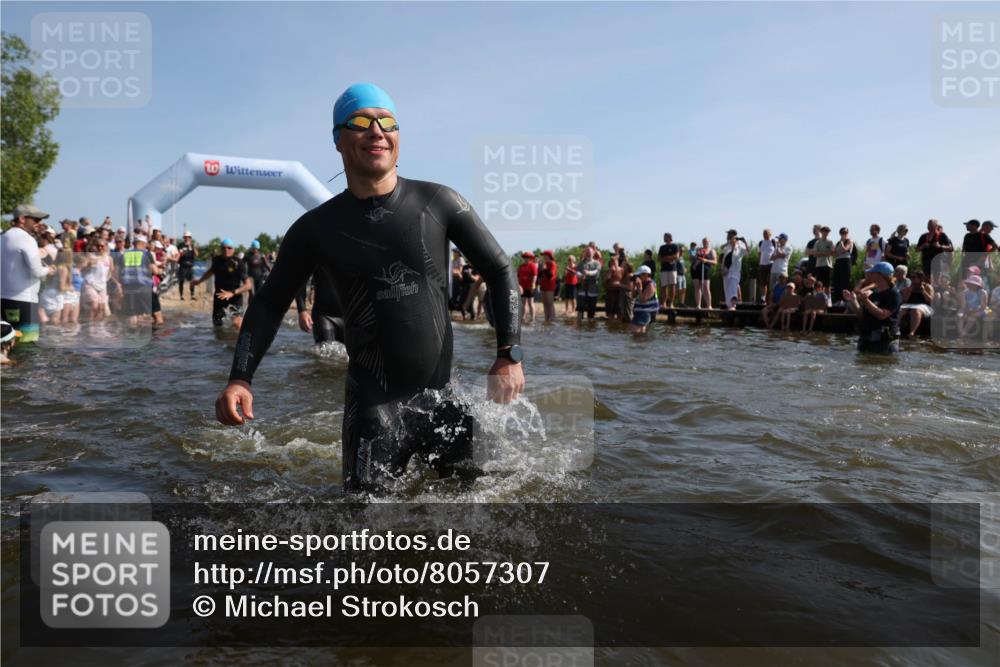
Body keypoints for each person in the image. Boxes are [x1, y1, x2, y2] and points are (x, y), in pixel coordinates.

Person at [213, 82, 524, 493]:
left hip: (445, 403)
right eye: (361, 122)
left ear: (397, 137)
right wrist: (240, 378)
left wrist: (508, 355)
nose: (376, 131)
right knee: (361, 533)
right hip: (374, 410)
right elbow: (270, 302)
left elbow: (501, 269)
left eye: (387, 122)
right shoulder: (315, 229)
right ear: (339, 140)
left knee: (476, 520)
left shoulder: (439, 202)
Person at [1, 204, 54, 343]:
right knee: (27, 344)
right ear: (23, 219)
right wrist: (49, 270)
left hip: (4, 299)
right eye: (36, 220)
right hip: (24, 301)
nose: (39, 223)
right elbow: (36, 271)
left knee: (7, 342)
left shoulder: (3, 237)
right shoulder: (27, 239)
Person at [192, 239, 252, 329]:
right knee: (217, 324)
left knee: (236, 323)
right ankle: (221, 342)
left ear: (233, 250)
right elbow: (210, 272)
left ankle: (241, 342)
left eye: (229, 248)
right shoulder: (216, 260)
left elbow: (248, 285)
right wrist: (199, 281)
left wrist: (232, 293)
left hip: (234, 297)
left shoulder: (238, 262)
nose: (226, 250)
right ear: (221, 249)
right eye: (223, 248)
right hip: (219, 297)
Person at [843, 261, 901, 353]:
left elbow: (882, 315)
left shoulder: (893, 294)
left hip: (884, 341)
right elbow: (862, 316)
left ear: (880, 275)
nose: (869, 274)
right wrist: (853, 300)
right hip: (867, 337)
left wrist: (866, 301)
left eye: (872, 272)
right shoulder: (874, 294)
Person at [295, 266, 346, 345]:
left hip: (351, 316)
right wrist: (302, 310)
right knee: (324, 354)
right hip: (324, 315)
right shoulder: (318, 253)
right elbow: (301, 277)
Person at [118, 235, 157, 326]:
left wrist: (121, 285)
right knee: (146, 314)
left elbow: (117, 272)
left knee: (132, 314)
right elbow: (154, 270)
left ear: (133, 243)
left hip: (128, 288)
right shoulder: (146, 254)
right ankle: (144, 335)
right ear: (143, 244)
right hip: (143, 287)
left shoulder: (125, 254)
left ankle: (132, 335)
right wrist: (160, 270)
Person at [899, 270, 934, 337]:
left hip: (924, 306)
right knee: (901, 309)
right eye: (911, 277)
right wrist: (908, 292)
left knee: (915, 310)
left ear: (920, 278)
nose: (912, 279)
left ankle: (912, 332)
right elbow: (904, 301)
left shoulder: (927, 286)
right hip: (910, 305)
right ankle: (895, 329)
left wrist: (923, 292)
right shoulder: (909, 287)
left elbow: (931, 301)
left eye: (914, 277)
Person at [720, 230, 748, 310]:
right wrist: (729, 243)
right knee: (727, 289)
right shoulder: (727, 245)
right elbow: (721, 248)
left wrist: (744, 242)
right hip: (726, 270)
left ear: (733, 235)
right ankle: (730, 306)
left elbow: (747, 252)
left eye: (729, 234)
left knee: (733, 285)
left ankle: (733, 304)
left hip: (735, 270)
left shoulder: (740, 245)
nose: (727, 236)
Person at [629, 265, 659, 333]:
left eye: (639, 276)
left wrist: (639, 287)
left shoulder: (650, 284)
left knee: (635, 331)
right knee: (640, 334)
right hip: (641, 311)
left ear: (646, 275)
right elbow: (633, 296)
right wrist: (634, 285)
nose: (638, 277)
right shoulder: (642, 283)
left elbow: (643, 300)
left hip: (647, 311)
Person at [958, 274, 989, 339]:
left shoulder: (983, 292)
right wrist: (966, 311)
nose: (971, 285)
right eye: (970, 283)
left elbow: (983, 306)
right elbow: (963, 306)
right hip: (969, 309)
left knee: (973, 315)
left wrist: (972, 311)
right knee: (959, 315)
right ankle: (961, 332)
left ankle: (964, 333)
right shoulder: (964, 292)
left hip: (984, 309)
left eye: (973, 284)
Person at [576, 246, 601, 320]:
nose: (588, 254)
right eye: (587, 252)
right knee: (580, 307)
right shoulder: (581, 263)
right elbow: (577, 272)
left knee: (591, 308)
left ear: (593, 253)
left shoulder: (597, 263)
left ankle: (590, 327)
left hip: (592, 287)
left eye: (590, 252)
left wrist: (588, 273)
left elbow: (596, 271)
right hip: (582, 287)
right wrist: (580, 275)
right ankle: (579, 324)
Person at [244, 239, 272, 304]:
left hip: (260, 277)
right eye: (253, 248)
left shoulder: (261, 255)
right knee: (252, 294)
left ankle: (256, 308)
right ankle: (249, 309)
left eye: (256, 248)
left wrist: (272, 271)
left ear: (258, 248)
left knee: (258, 294)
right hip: (251, 277)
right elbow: (242, 264)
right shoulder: (248, 255)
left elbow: (267, 265)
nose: (254, 250)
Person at [691, 237, 717, 309]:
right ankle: (698, 305)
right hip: (696, 270)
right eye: (703, 241)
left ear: (709, 242)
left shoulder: (712, 251)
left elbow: (715, 262)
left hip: (705, 270)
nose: (705, 243)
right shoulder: (699, 250)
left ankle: (709, 305)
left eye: (706, 241)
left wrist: (706, 260)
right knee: (697, 287)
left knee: (706, 287)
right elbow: (694, 258)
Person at [832, 227, 855, 304]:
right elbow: (834, 254)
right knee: (837, 281)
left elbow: (845, 249)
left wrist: (842, 242)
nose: (844, 234)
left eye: (845, 233)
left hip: (846, 261)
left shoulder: (849, 240)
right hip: (838, 261)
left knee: (845, 281)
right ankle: (838, 300)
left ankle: (845, 300)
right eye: (842, 233)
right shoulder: (838, 243)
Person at [657, 233, 679, 307]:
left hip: (672, 269)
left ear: (669, 237)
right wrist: (669, 258)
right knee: (663, 286)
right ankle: (664, 303)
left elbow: (676, 256)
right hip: (664, 269)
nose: (663, 238)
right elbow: (658, 258)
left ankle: (671, 303)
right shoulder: (662, 247)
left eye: (665, 237)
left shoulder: (675, 246)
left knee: (672, 286)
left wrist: (666, 258)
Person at [518, 251, 538, 325]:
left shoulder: (532, 265)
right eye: (525, 257)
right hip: (522, 287)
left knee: (530, 303)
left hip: (530, 287)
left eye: (528, 257)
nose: (526, 259)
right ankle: (523, 317)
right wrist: (519, 285)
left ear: (530, 258)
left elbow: (535, 276)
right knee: (523, 303)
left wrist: (533, 285)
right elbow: (518, 276)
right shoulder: (521, 266)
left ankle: (532, 318)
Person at [538, 250, 558, 323]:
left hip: (550, 286)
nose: (543, 256)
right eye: (543, 255)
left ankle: (552, 319)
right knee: (545, 303)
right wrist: (540, 269)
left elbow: (550, 275)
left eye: (545, 255)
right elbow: (539, 275)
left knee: (550, 303)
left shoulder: (553, 264)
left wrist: (545, 269)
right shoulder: (545, 264)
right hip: (543, 285)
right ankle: (546, 318)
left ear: (549, 256)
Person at [177, 231, 198, 299]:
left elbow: (197, 255)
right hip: (182, 265)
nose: (187, 238)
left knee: (192, 281)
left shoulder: (192, 245)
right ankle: (181, 296)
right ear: (183, 238)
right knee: (181, 281)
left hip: (190, 266)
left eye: (188, 237)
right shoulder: (180, 245)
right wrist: (182, 252)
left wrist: (193, 247)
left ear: (190, 238)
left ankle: (192, 295)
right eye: (185, 237)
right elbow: (178, 254)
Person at [757, 229, 776, 304]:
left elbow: (776, 251)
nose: (765, 235)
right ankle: (763, 298)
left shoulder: (773, 241)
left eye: (766, 233)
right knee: (762, 282)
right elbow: (759, 253)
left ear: (770, 234)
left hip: (771, 264)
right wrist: (759, 263)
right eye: (764, 233)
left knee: (771, 282)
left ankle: (771, 299)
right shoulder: (761, 242)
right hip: (762, 264)